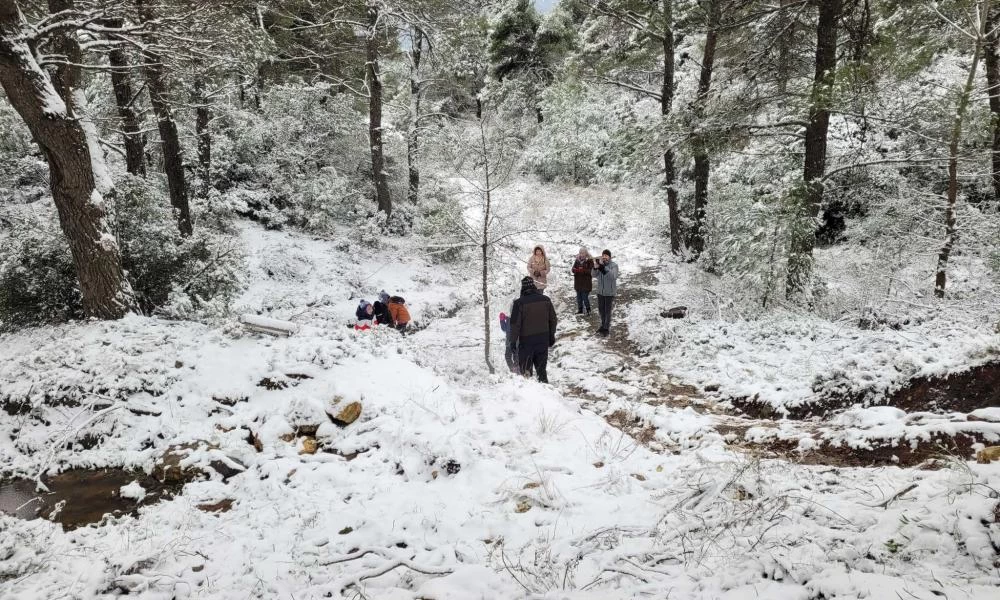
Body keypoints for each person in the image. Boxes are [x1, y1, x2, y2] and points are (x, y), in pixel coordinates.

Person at [509, 276, 557, 383]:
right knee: (541, 371)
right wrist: (551, 336)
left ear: (523, 288)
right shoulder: (546, 300)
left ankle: (529, 395)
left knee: (526, 372)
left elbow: (514, 324)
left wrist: (512, 341)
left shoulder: (518, 303)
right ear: (534, 286)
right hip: (543, 339)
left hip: (527, 342)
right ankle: (546, 393)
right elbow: (553, 320)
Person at [592, 249, 619, 336]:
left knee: (607, 311)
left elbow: (613, 277)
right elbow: (593, 275)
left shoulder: (614, 266)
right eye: (603, 255)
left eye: (606, 255)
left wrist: (603, 267)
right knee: (601, 310)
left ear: (609, 257)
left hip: (609, 292)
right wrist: (595, 267)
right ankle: (603, 325)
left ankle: (606, 328)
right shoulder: (600, 265)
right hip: (600, 292)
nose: (604, 257)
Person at [571, 247, 594, 315]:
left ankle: (588, 310)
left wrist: (583, 270)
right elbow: (573, 269)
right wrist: (575, 270)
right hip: (578, 282)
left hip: (586, 283)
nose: (581, 254)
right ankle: (580, 310)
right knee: (579, 298)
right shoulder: (577, 260)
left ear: (586, 253)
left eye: (583, 253)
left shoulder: (589, 260)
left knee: (585, 298)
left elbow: (591, 271)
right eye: (580, 253)